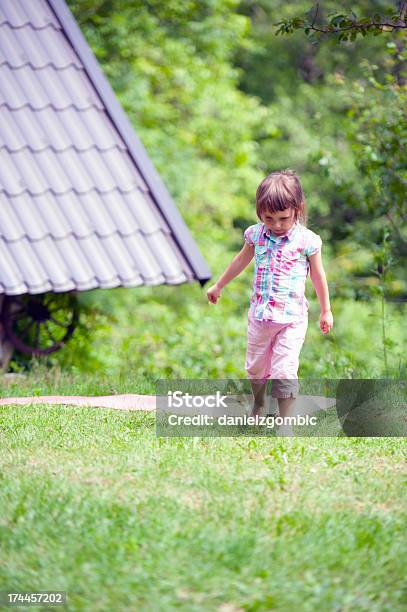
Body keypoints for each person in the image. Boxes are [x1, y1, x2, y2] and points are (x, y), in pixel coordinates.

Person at [206, 169, 333, 436]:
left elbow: (318, 276)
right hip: (261, 316)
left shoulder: (307, 241)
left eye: (283, 218)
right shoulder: (256, 235)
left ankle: (284, 424)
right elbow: (240, 260)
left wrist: (326, 310)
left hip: (292, 319)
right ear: (259, 213)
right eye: (269, 218)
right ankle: (259, 403)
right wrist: (219, 284)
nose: (276, 224)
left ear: (297, 210)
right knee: (256, 368)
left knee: (284, 369)